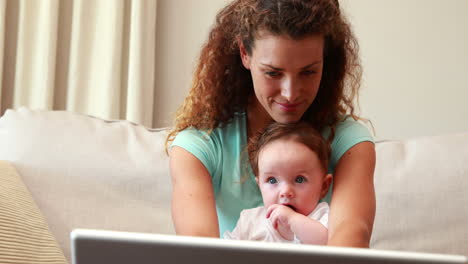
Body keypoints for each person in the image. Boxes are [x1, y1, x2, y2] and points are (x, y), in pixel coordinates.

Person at [166, 0, 376, 247]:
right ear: (245, 54)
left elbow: (349, 244)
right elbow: (199, 252)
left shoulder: (350, 143)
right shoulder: (198, 146)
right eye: (273, 73)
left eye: (308, 72)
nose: (290, 93)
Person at [224, 122, 332, 245]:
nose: (285, 191)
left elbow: (331, 245)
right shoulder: (250, 221)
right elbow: (226, 253)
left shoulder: (323, 217)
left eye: (299, 179)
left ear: (324, 186)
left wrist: (292, 219)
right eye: (272, 180)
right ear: (259, 185)